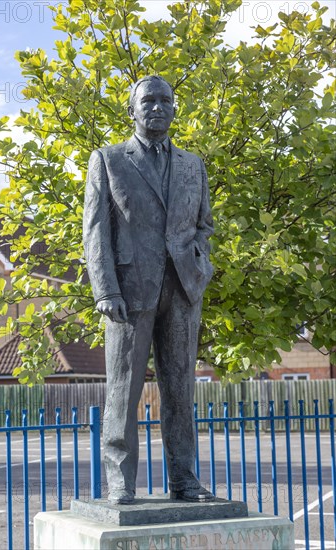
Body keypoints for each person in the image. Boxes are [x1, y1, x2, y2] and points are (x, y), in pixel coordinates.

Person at [83, 75, 215, 504]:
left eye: (165, 100)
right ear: (132, 110)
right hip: (128, 292)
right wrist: (105, 290)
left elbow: (203, 225)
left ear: (175, 109)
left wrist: (199, 264)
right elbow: (96, 231)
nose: (157, 107)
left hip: (182, 290)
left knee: (180, 389)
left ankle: (184, 478)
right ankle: (120, 480)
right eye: (148, 101)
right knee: (124, 389)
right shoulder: (108, 160)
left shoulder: (194, 164)